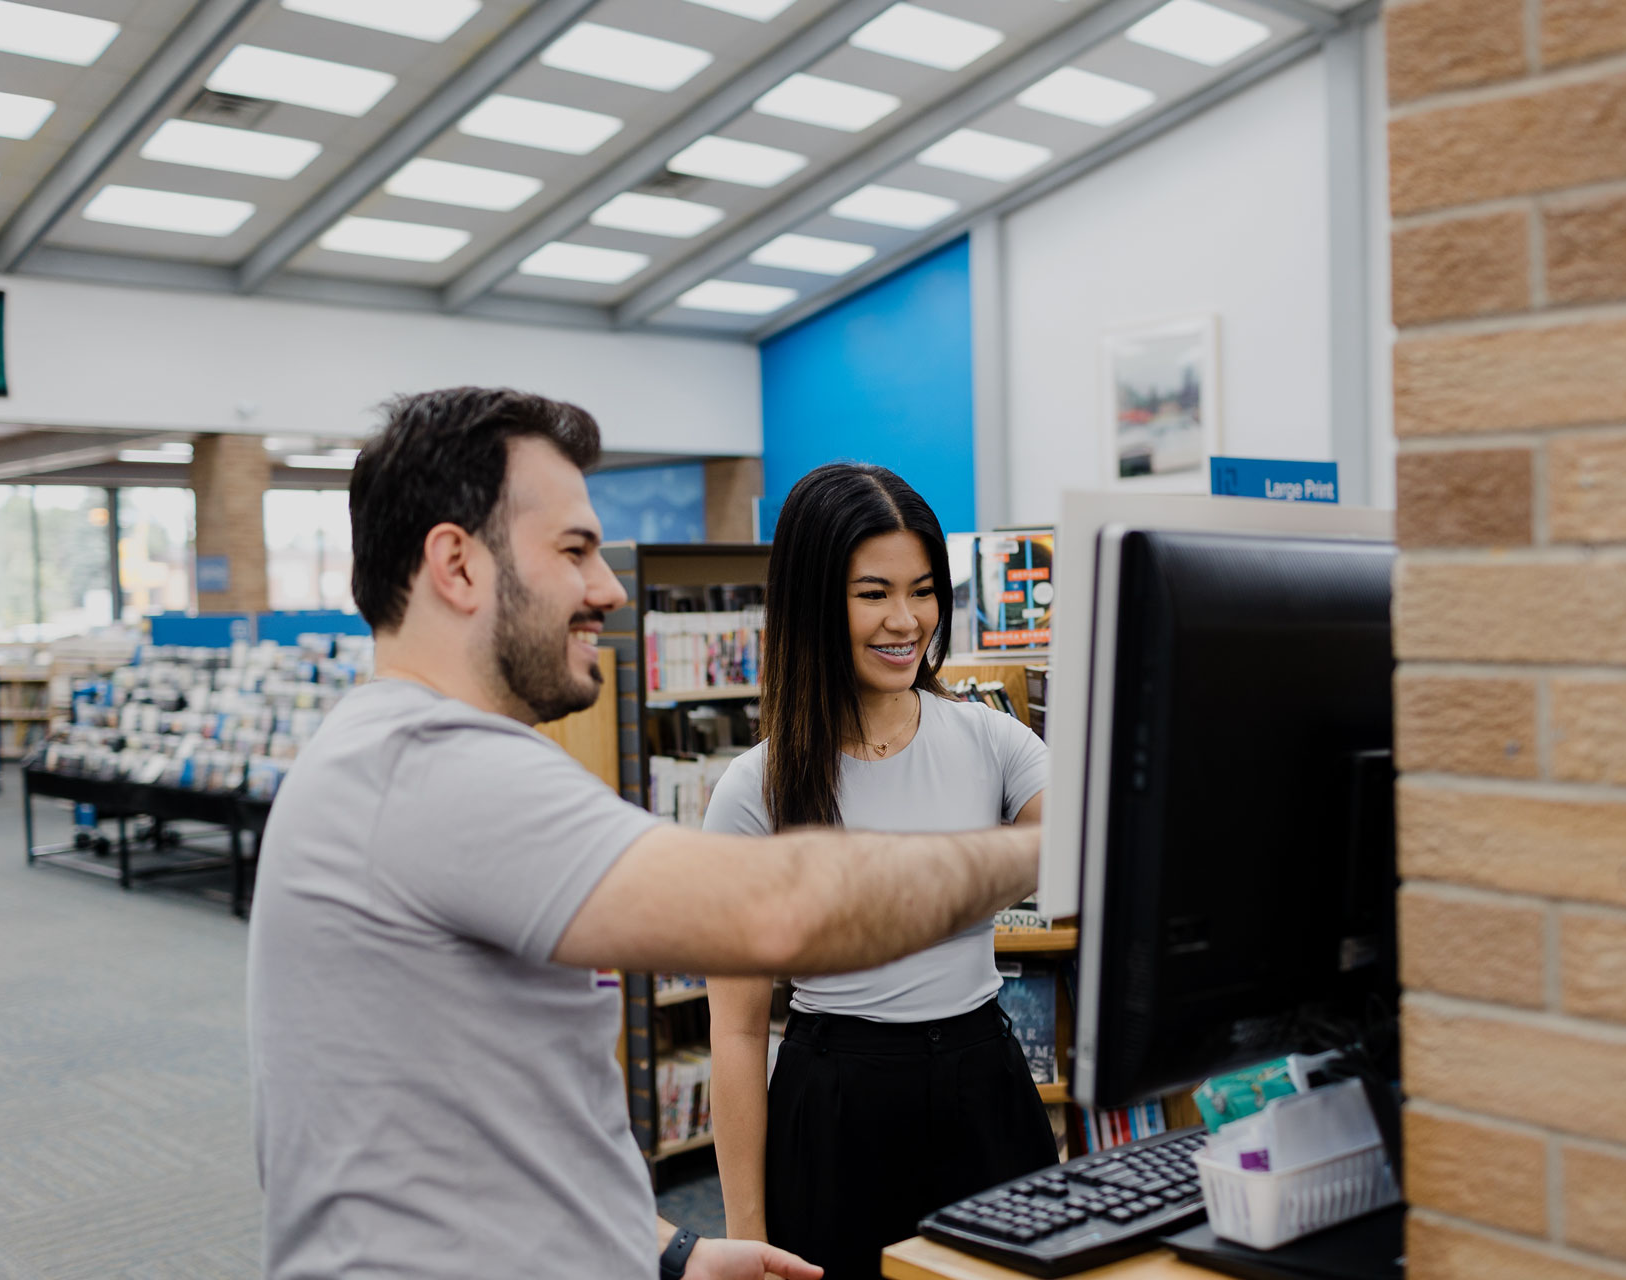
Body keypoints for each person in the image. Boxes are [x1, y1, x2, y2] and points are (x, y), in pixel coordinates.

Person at [245, 390, 1043, 1280]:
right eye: (575, 550)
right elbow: (781, 914)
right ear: (457, 566)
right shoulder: (432, 771)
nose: (611, 588)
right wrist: (1043, 849)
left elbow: (506, 1118)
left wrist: (672, 1252)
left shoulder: (404, 759)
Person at [704, 464, 1059, 1280]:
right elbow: (737, 1030)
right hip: (835, 1107)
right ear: (814, 600)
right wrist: (744, 1231)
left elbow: (1088, 851)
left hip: (983, 1086)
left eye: (924, 590)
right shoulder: (753, 790)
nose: (907, 621)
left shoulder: (993, 742)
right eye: (873, 594)